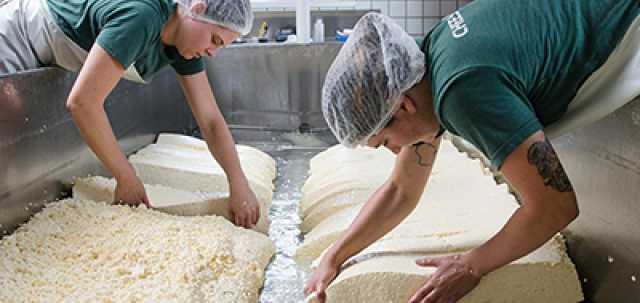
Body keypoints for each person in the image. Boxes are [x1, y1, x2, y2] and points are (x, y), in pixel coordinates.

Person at [306, 0, 640, 302]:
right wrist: (333, 257)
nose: (396, 152)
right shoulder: (429, 64)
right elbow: (401, 190)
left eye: (385, 142)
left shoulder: (461, 91)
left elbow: (555, 206)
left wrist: (472, 265)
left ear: (404, 105)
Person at [0, 0, 261, 229]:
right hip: (15, 38)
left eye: (221, 47)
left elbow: (211, 120)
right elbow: (83, 103)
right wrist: (126, 177)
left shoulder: (184, 42)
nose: (212, 52)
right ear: (197, 9)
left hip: (50, 53)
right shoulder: (141, 17)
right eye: (215, 39)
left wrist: (238, 183)